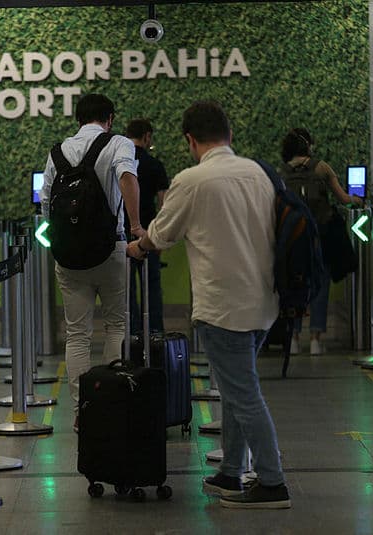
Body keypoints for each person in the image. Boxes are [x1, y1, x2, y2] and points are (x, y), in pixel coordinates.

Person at [127, 100, 290, 509]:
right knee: (237, 390)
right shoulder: (259, 174)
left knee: (244, 394)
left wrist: (137, 244)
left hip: (223, 307)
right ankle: (231, 473)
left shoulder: (192, 180)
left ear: (189, 140)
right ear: (230, 135)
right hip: (263, 303)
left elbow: (161, 234)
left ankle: (272, 482)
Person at [40, 93, 142, 433]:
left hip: (69, 256)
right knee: (114, 325)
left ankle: (83, 411)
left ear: (78, 119)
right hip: (111, 249)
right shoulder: (119, 144)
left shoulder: (57, 152)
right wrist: (137, 227)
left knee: (77, 334)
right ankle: (111, 403)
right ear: (109, 118)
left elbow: (45, 204)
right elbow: (127, 177)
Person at [279, 128, 362, 356]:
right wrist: (358, 199)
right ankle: (316, 339)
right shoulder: (322, 167)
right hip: (320, 237)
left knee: (295, 286)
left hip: (293, 240)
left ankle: (294, 338)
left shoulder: (281, 174)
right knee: (320, 285)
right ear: (308, 145)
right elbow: (343, 198)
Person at [125, 118, 169, 334]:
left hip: (122, 236)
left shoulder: (120, 165)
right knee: (151, 286)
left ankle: (131, 335)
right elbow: (164, 204)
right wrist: (159, 236)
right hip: (148, 235)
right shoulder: (155, 165)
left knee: (127, 290)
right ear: (147, 136)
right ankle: (154, 334)